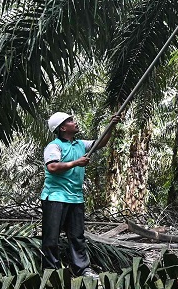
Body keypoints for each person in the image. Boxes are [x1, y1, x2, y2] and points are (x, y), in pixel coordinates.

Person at [40, 111, 120, 277]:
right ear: (62, 128)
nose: (74, 122)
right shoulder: (54, 146)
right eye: (70, 121)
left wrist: (112, 125)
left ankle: (82, 269)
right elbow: (52, 167)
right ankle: (51, 272)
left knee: (77, 236)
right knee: (51, 238)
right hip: (55, 197)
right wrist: (77, 162)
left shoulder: (80, 144)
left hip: (75, 198)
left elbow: (101, 143)